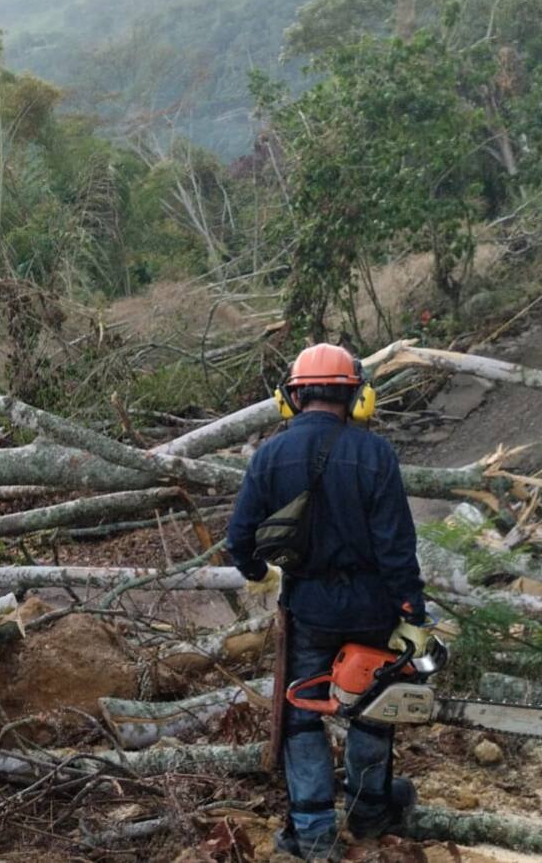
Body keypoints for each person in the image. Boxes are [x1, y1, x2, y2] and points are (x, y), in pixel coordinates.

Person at [226, 343, 429, 861]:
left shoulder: (269, 455)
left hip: (308, 607)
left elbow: (239, 537)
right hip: (371, 605)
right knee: (373, 708)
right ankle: (368, 813)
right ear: (357, 396)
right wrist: (412, 613)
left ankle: (314, 832)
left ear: (290, 397)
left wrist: (258, 573)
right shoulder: (376, 454)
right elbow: (396, 547)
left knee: (299, 715)